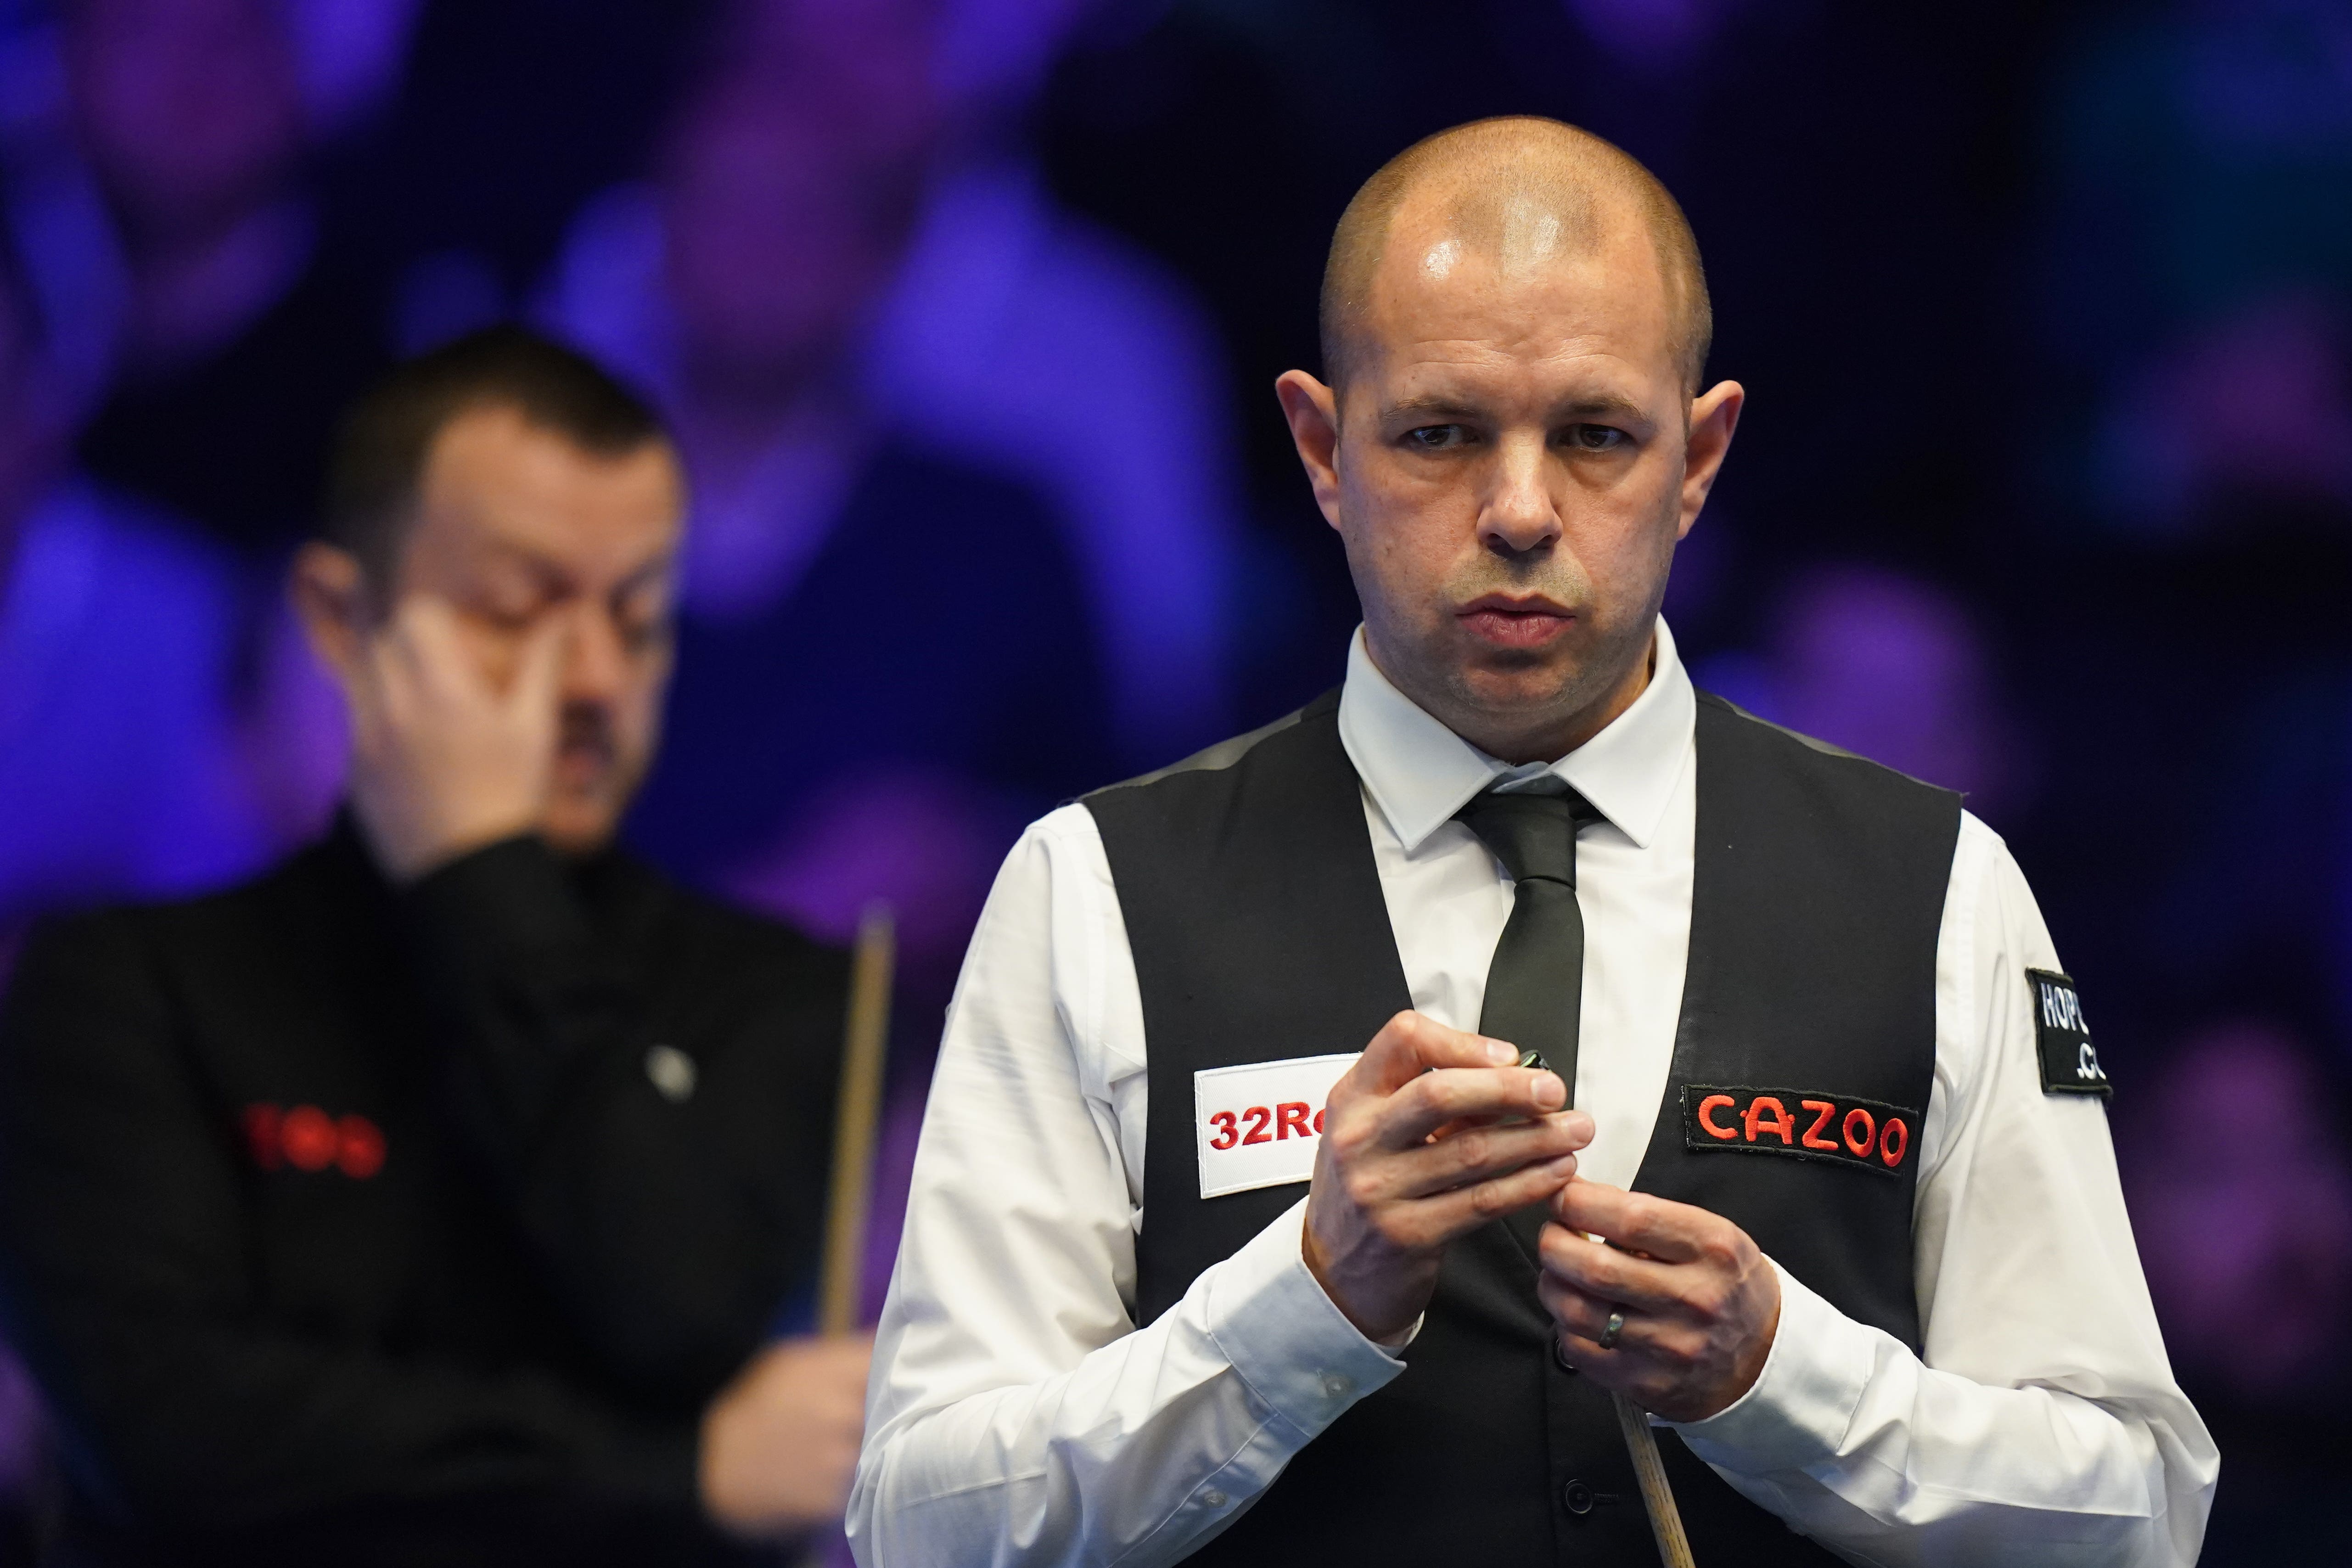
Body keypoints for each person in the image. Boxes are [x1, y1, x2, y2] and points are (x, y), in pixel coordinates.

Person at [852, 118, 2217, 1567]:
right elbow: (921, 1528)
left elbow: (2133, 1512)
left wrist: (1779, 1378)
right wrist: (1301, 1305)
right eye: (1438, 434)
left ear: (1698, 458)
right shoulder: (1092, 891)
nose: (1516, 511)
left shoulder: (1935, 888)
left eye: (1593, 436)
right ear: (1322, 449)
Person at [0, 327, 871, 1566]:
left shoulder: (771, 990)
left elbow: (679, 1314)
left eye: (638, 620)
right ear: (341, 620)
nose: (592, 679)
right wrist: (673, 1470)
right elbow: (175, 1444)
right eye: (516, 610)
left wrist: (482, 883)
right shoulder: (121, 987)